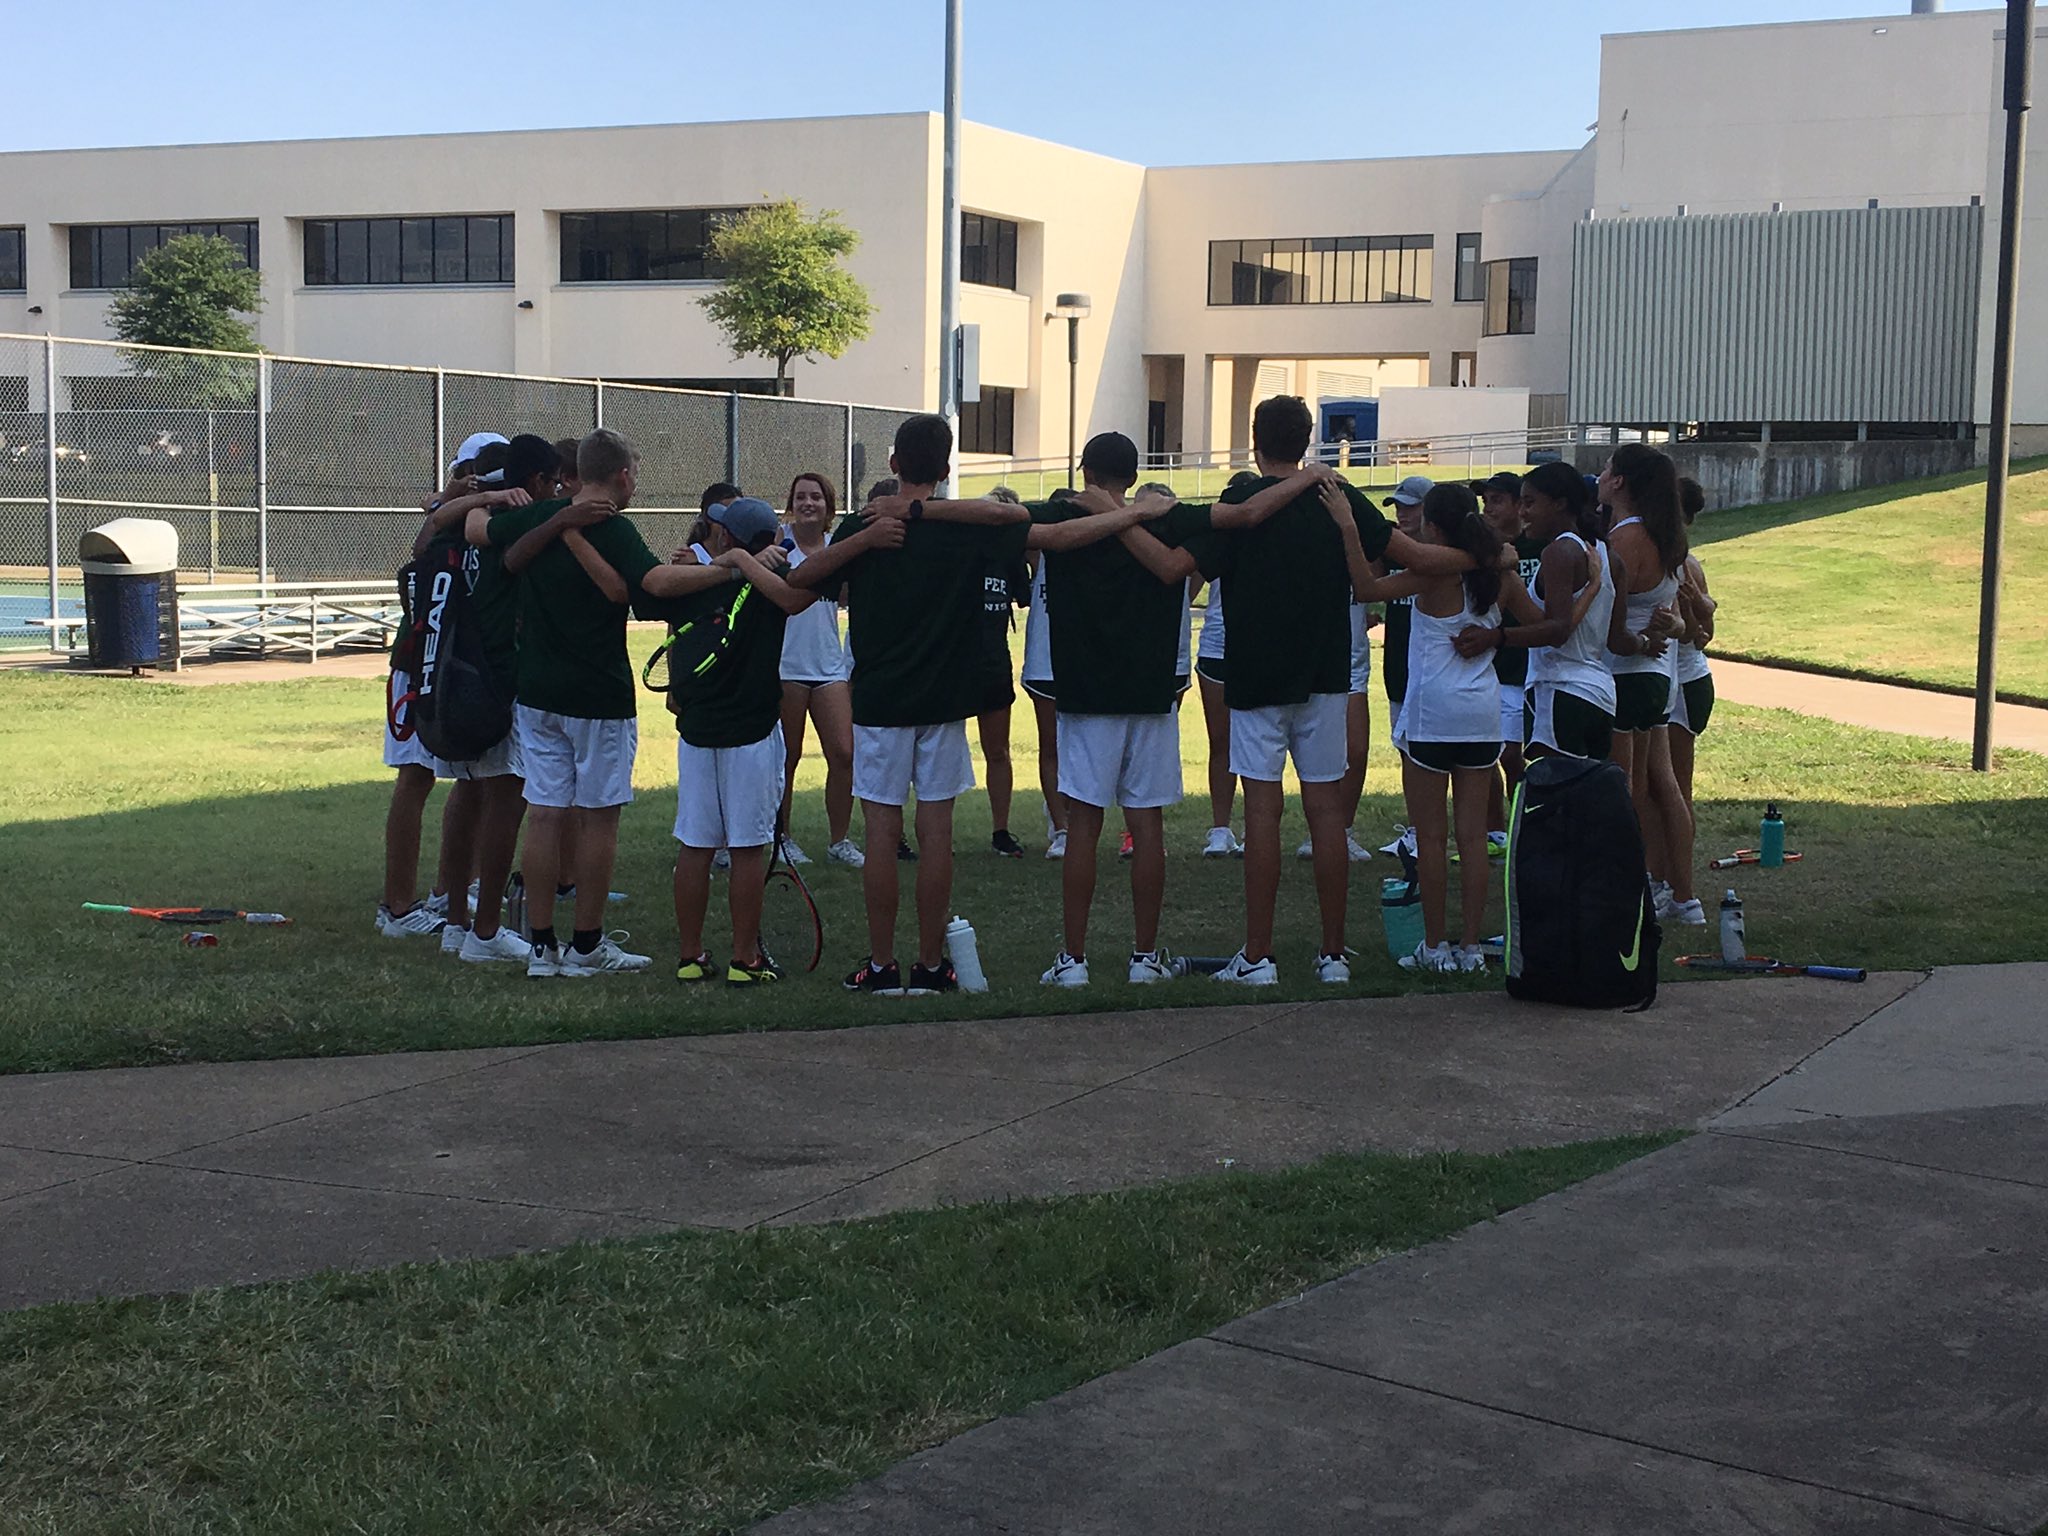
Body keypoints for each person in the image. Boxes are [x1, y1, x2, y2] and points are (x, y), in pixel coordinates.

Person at [799, 414, 1160, 996]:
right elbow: (1037, 528)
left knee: (882, 832)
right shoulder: (967, 526)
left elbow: (801, 586)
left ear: (893, 464)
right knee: (935, 832)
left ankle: (882, 962)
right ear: (946, 470)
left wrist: (875, 532)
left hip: (881, 699)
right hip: (944, 700)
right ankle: (932, 963)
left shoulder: (868, 521)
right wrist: (1134, 514)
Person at [1177, 399, 1476, 987]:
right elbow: (1414, 555)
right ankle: (1333, 955)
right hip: (1326, 674)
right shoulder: (1336, 497)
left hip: (1258, 676)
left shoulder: (1241, 501)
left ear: (1255, 440)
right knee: (1328, 815)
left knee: (1262, 813)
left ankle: (1258, 956)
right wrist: (1491, 556)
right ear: (1309, 440)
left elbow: (1183, 571)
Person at [1037, 434, 1324, 986]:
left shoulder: (1067, 514)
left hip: (1088, 692)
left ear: (1085, 469)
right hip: (1151, 694)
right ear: (1134, 471)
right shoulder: (1169, 518)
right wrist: (1305, 476)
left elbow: (1005, 522)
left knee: (1084, 828)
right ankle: (1144, 958)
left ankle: (1073, 960)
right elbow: (1245, 512)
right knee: (1148, 828)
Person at [469, 428, 733, 977]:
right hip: (598, 694)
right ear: (621, 476)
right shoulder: (612, 527)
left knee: (543, 814)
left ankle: (541, 946)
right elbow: (651, 583)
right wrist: (732, 569)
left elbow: (477, 530)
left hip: (536, 692)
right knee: (597, 820)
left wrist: (544, 517)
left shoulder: (540, 516)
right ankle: (586, 944)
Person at [657, 496, 903, 985]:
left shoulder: (691, 578)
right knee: (748, 846)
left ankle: (691, 956)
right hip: (750, 730)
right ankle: (745, 958)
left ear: (726, 538)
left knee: (696, 844)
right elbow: (796, 594)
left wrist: (736, 563)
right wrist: (754, 563)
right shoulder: (773, 583)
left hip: (698, 729)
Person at [1371, 482, 1600, 973]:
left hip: (1431, 716)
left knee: (1430, 839)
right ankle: (1471, 947)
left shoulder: (1430, 574)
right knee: (1474, 839)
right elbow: (1550, 627)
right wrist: (1592, 591)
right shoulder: (1502, 574)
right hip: (1481, 714)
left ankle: (1435, 946)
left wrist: (1351, 530)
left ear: (1433, 527)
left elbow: (1365, 590)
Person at [409, 434, 567, 963]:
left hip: (449, 674)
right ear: (539, 481)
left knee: (467, 794)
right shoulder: (513, 517)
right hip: (499, 678)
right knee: (508, 798)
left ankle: (456, 919)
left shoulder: (458, 517)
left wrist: (470, 498)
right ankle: (485, 929)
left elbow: (424, 538)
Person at [376, 431, 510, 939]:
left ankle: (448, 890)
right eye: (473, 473)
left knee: (471, 778)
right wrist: (456, 497)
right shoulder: (446, 515)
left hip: (463, 667)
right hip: (420, 661)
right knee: (415, 776)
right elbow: (422, 544)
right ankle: (396, 906)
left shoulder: (490, 516)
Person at [1455, 461, 1633, 767]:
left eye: (1530, 503)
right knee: (1588, 800)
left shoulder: (1559, 552)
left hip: (1560, 690)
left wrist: (1495, 637)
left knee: (1554, 798)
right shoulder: (1609, 555)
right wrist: (1646, 640)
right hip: (1601, 695)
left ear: (1560, 503)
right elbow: (1617, 639)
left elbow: (1556, 631)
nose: (1523, 513)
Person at [1600, 444, 1700, 926]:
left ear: (1620, 482)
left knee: (1628, 792)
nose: (1599, 477)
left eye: (1606, 469)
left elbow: (1608, 626)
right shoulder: (1668, 537)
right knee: (1666, 786)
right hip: (1661, 680)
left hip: (1624, 674)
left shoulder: (1624, 540)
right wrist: (1661, 632)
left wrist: (1639, 640)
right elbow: (1681, 622)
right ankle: (1684, 895)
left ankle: (1633, 889)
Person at [775, 471, 863, 868]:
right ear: (791, 503)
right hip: (785, 665)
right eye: (800, 496)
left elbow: (850, 593)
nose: (808, 503)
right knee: (787, 758)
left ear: (828, 506)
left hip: (829, 665)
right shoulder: (778, 541)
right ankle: (783, 838)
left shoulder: (835, 546)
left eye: (816, 497)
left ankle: (839, 840)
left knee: (844, 754)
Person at [1192, 471, 1259, 859]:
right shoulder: (1216, 541)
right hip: (1218, 643)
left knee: (1255, 745)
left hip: (1253, 646)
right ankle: (1221, 828)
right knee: (1222, 743)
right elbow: (1189, 584)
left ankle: (1255, 828)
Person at [1476, 471, 1531, 854]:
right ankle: (1496, 831)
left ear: (1519, 504)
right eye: (1485, 500)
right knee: (1488, 753)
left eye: (1497, 499)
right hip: (1490, 665)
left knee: (1513, 755)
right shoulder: (1480, 550)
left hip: (1529, 664)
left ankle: (1525, 826)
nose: (1488, 507)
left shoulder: (1539, 546)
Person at [978, 485, 1030, 858]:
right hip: (951, 661)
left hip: (994, 661)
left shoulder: (1010, 558)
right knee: (931, 751)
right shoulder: (959, 550)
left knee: (998, 750)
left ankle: (1001, 830)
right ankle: (913, 833)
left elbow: (1027, 595)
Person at [1020, 488, 1072, 859]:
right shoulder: (1039, 555)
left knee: (1079, 748)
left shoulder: (1090, 550)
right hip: (1044, 661)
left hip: (1081, 661)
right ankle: (1063, 827)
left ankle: (1071, 818)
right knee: (1051, 745)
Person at [1668, 476, 1718, 812]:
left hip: (1686, 683)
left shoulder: (1684, 563)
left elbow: (1701, 634)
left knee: (1675, 788)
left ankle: (1676, 863)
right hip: (1684, 679)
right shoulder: (1679, 559)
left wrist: (1690, 613)